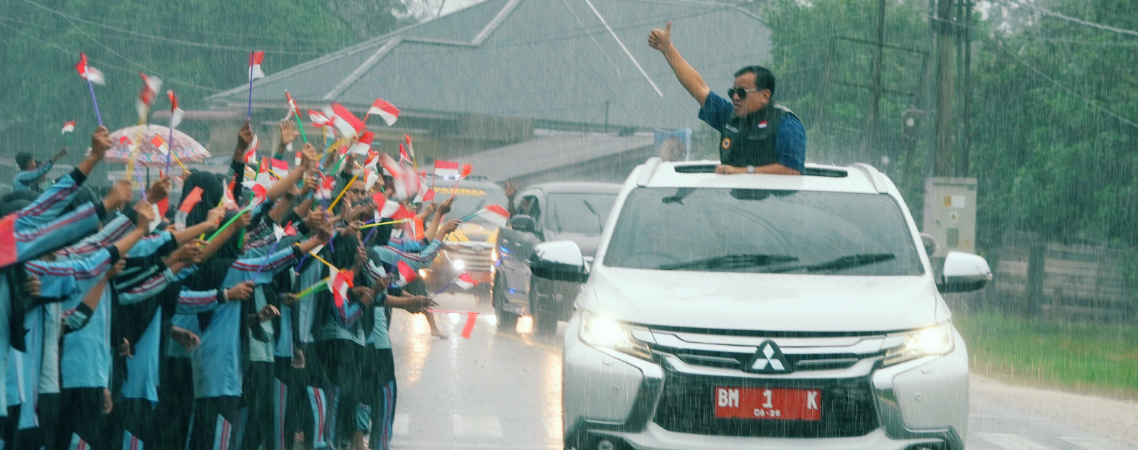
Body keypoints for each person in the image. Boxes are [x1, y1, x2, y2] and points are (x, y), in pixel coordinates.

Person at [648, 21, 807, 175]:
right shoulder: (729, 116)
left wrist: (744, 172)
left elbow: (792, 169)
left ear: (765, 95)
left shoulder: (786, 124)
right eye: (733, 92)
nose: (735, 97)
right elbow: (698, 88)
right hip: (731, 200)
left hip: (774, 200)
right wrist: (668, 50)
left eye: (742, 92)